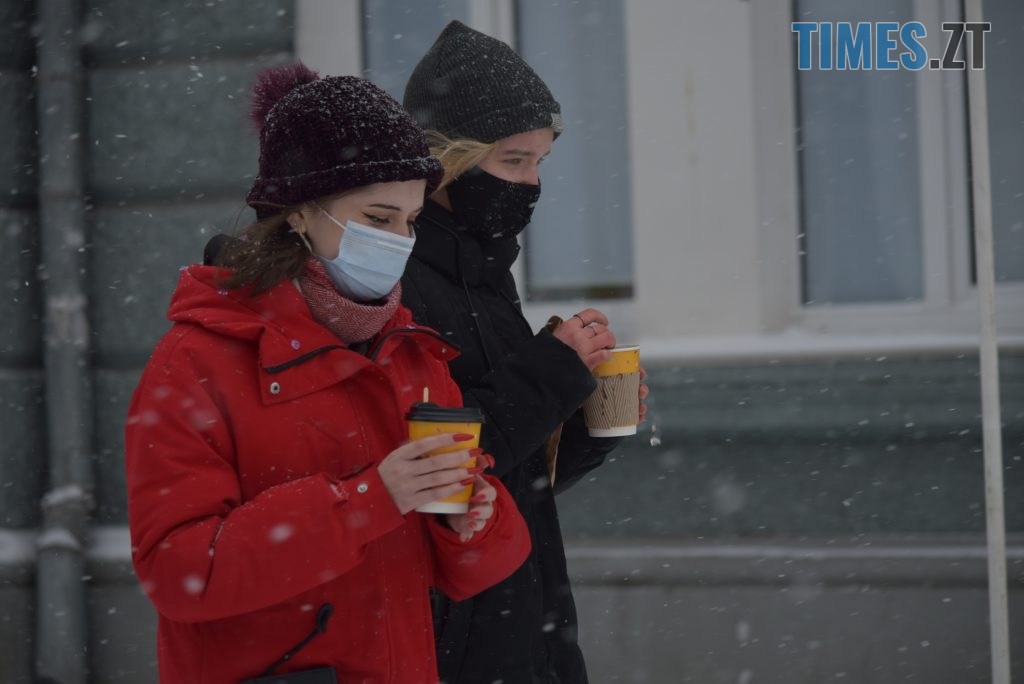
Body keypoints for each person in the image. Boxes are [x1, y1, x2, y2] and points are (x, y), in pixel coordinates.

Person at [124, 63, 530, 684]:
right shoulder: (197, 362)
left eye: (411, 220)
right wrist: (368, 500)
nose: (400, 240)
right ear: (300, 213)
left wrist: (470, 521)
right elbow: (180, 573)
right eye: (378, 218)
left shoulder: (413, 353)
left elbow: (474, 567)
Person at [400, 21, 648, 684]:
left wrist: (585, 421)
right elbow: (437, 474)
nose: (532, 183)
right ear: (446, 160)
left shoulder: (485, 271)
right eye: (513, 161)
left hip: (529, 624)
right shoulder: (397, 282)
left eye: (540, 162)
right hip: (458, 636)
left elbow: (512, 474)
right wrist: (551, 373)